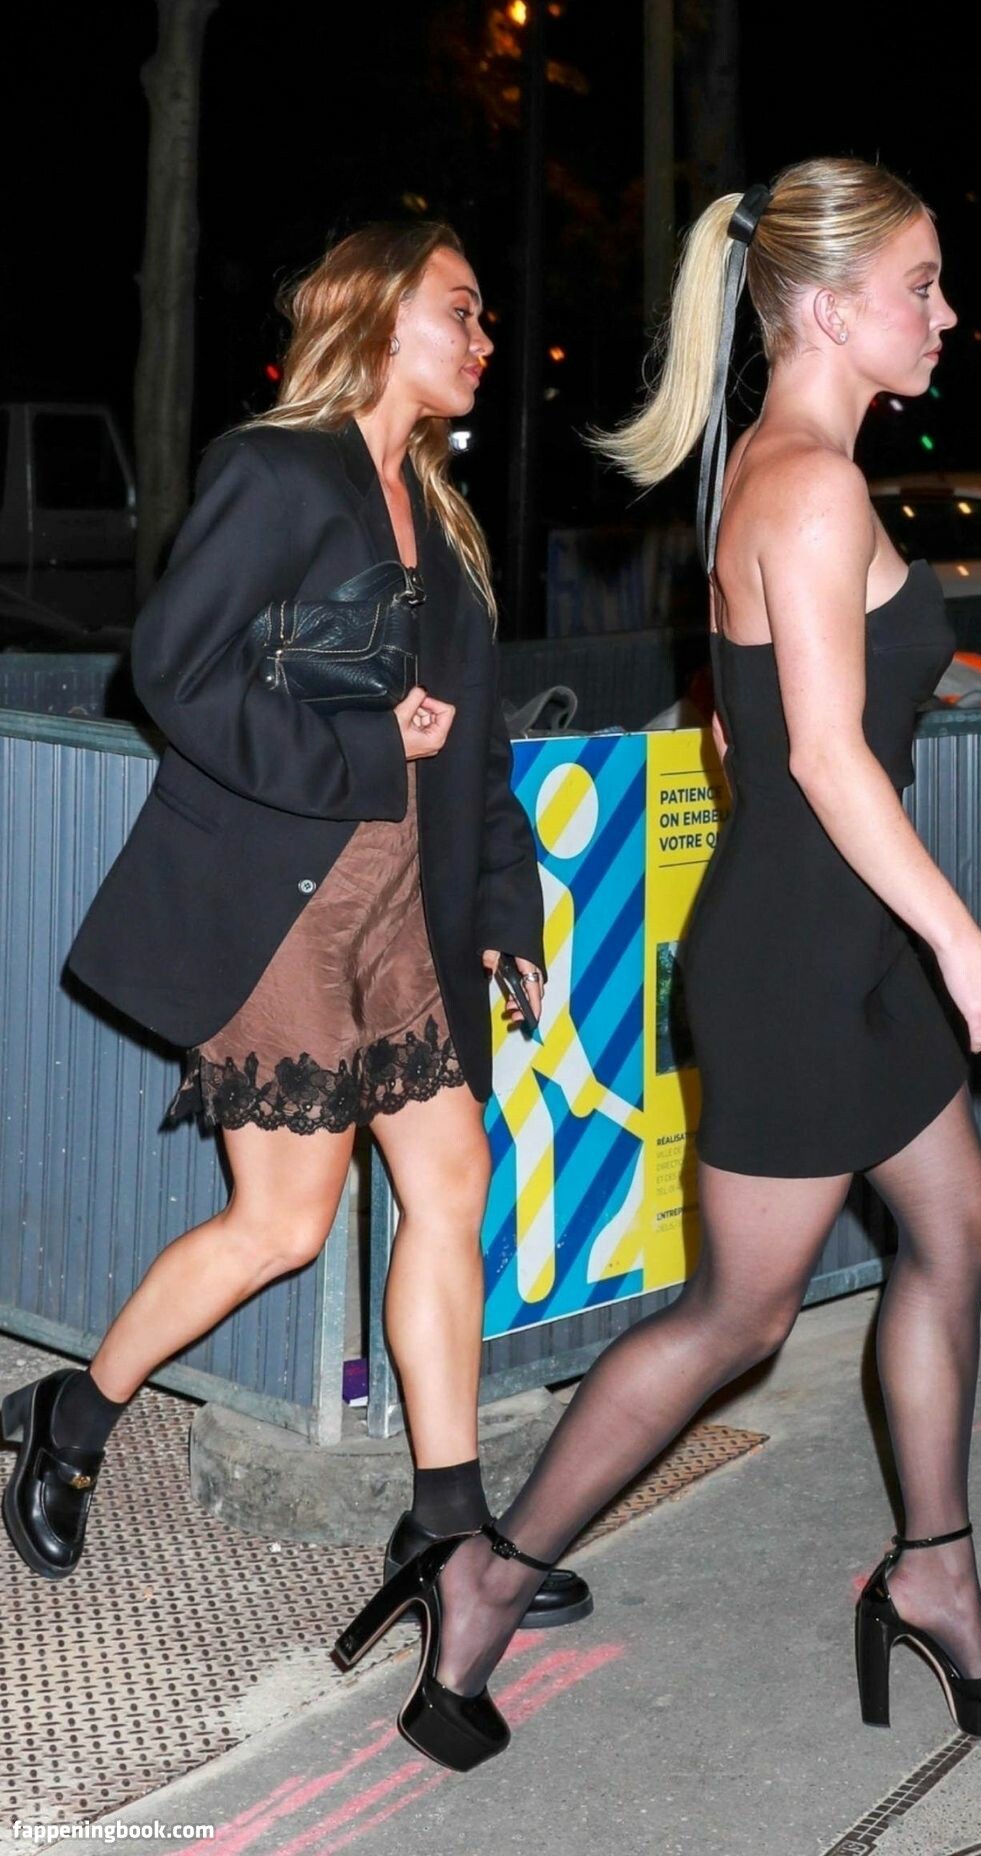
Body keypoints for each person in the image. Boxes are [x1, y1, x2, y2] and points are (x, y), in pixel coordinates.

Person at [331, 158, 981, 1769]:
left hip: (839, 947)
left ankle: (934, 1574)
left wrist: (878, 918)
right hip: (807, 965)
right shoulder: (810, 488)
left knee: (960, 1228)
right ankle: (485, 1581)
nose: (945, 314)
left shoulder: (789, 477)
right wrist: (960, 938)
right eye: (922, 284)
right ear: (829, 307)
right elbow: (825, 760)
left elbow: (742, 732)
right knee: (738, 1316)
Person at [0, 221, 591, 1634]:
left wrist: (504, 907)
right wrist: (366, 748)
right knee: (283, 1224)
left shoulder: (441, 518)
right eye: (462, 310)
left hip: (414, 912)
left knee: (452, 1189)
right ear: (383, 318)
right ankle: (74, 1418)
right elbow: (173, 670)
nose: (485, 339)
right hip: (290, 909)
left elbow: (477, 750)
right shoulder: (277, 471)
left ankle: (447, 1526)